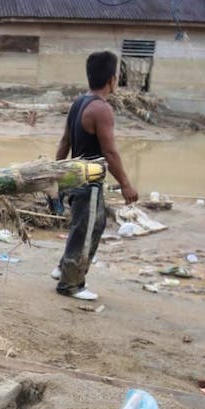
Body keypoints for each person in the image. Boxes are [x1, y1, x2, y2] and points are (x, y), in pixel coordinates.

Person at [52, 51, 139, 301]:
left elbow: (64, 142)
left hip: (75, 177)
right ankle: (71, 284)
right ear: (112, 79)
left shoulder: (79, 102)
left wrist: (58, 176)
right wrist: (126, 185)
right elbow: (110, 152)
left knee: (89, 225)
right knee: (87, 229)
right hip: (88, 181)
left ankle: (62, 268)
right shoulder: (101, 110)